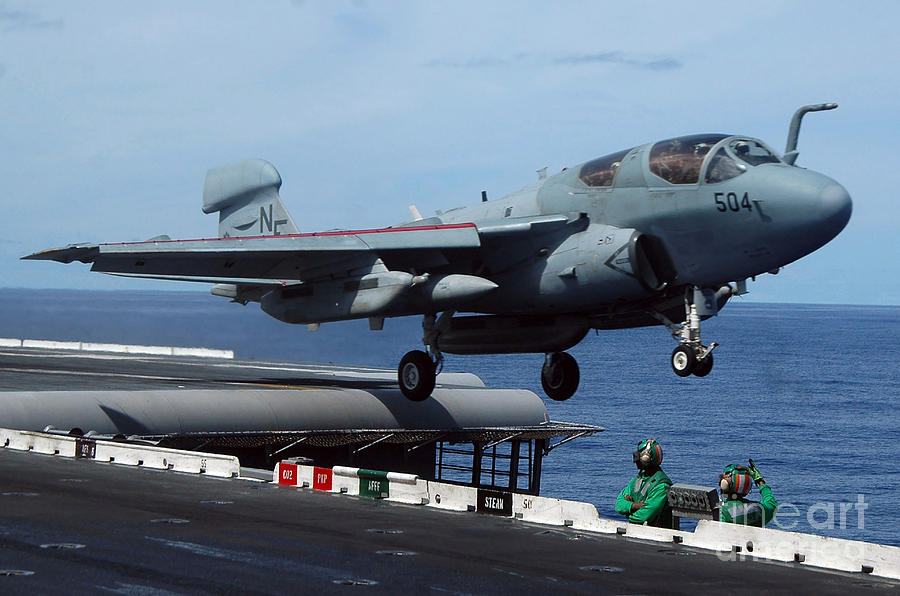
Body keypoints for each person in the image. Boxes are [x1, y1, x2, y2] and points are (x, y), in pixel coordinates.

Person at [615, 438, 673, 527]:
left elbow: (644, 516)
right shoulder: (638, 479)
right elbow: (619, 505)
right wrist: (635, 506)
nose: (635, 461)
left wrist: (628, 512)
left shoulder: (661, 485)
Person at [718, 459, 778, 527]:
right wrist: (760, 481)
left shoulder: (722, 511)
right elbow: (772, 504)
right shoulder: (758, 509)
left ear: (725, 484)